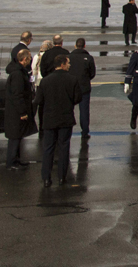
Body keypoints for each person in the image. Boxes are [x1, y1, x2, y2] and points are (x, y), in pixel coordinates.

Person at [33, 53, 82, 187]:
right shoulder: (72, 80)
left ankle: (46, 178)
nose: (69, 65)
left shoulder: (45, 81)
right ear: (62, 64)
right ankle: (62, 176)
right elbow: (78, 98)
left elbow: (38, 100)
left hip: (49, 119)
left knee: (48, 148)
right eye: (68, 63)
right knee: (63, 147)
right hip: (65, 118)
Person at [3, 48, 35, 170]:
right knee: (15, 137)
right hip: (16, 112)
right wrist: (22, 112)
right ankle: (11, 162)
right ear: (25, 59)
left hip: (14, 111)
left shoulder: (17, 71)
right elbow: (18, 95)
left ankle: (16, 160)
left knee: (17, 136)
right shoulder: (18, 74)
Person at [69, 37, 97, 139]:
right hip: (84, 87)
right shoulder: (89, 58)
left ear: (75, 45)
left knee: (69, 109)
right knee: (84, 111)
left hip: (71, 87)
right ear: (84, 46)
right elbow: (92, 73)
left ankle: (68, 130)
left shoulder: (69, 57)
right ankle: (85, 131)